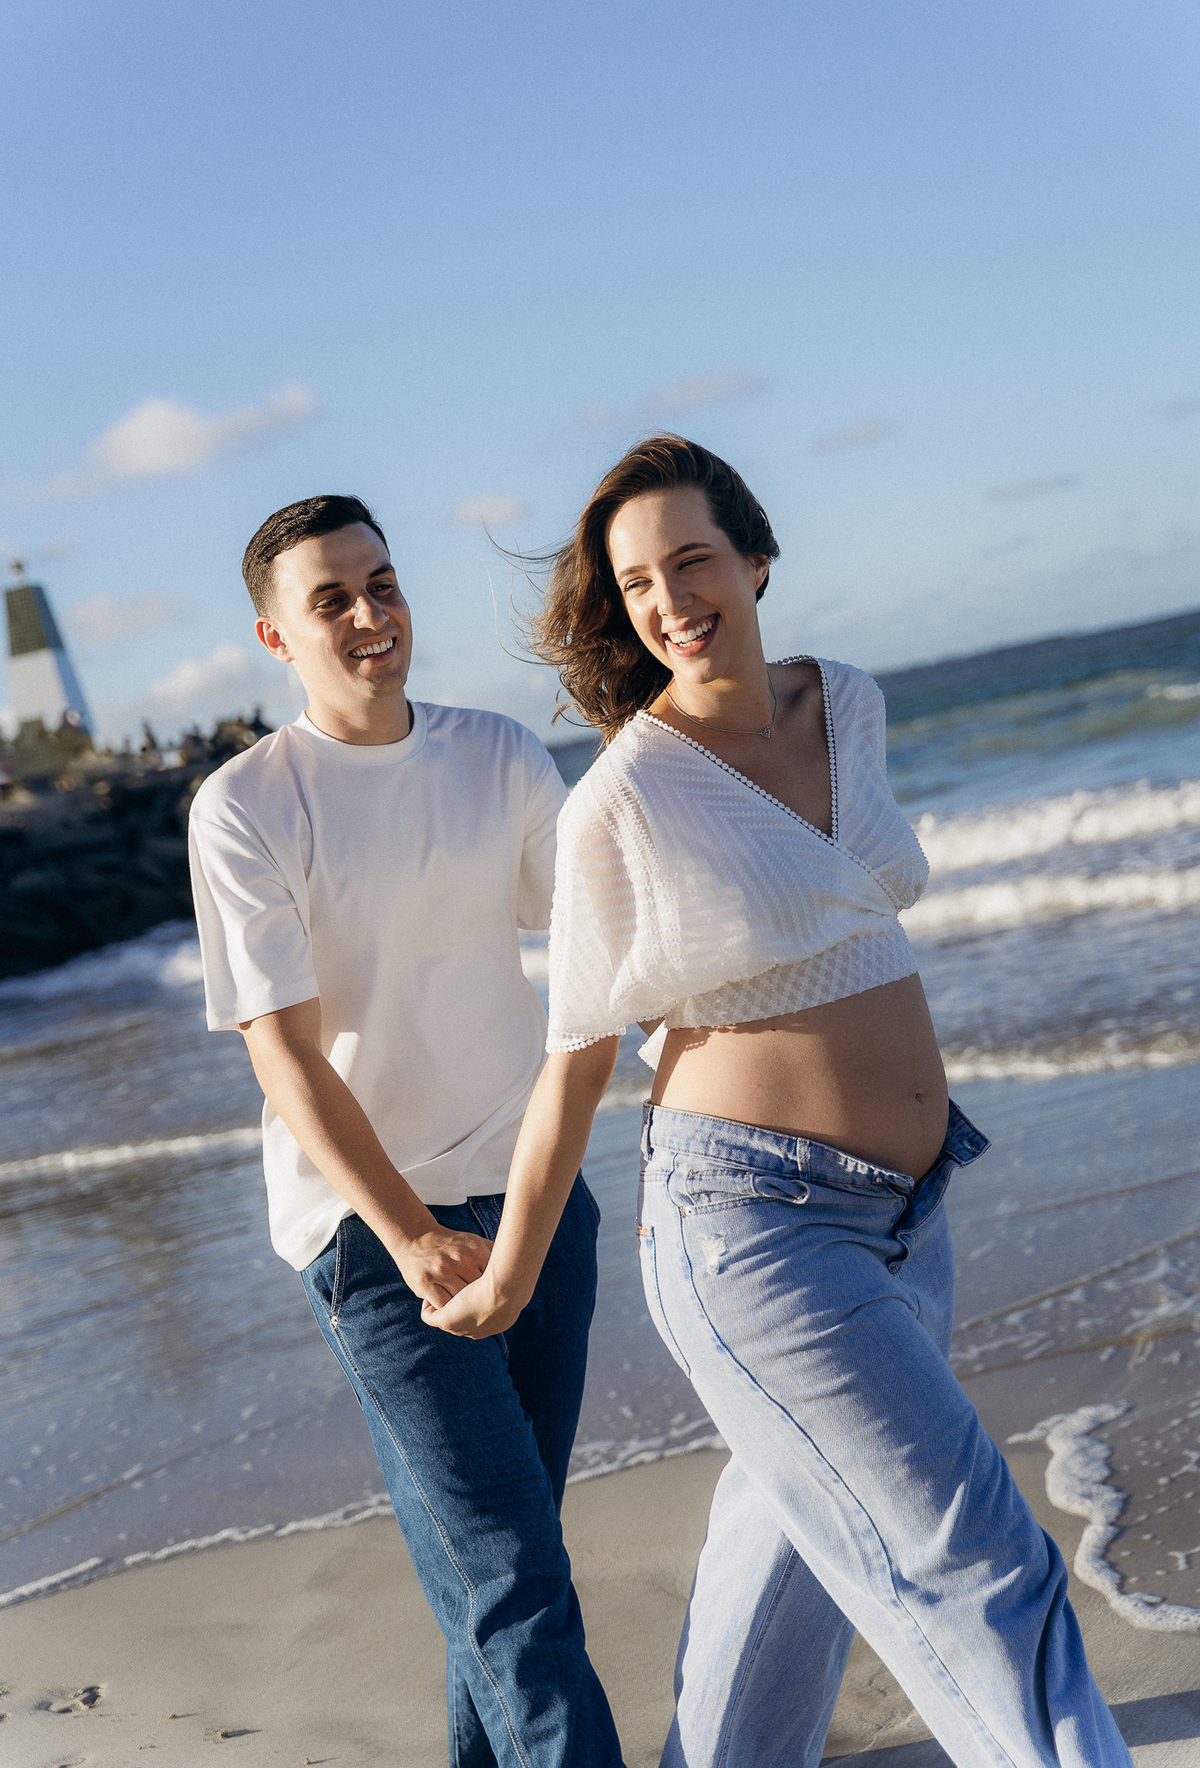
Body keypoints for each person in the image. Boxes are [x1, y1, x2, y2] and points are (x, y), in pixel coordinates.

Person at [425, 440, 1132, 1765]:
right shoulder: (625, 796)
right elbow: (579, 1051)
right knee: (984, 1567)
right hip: (752, 1231)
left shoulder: (848, 701)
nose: (670, 599)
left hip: (909, 1224)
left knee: (788, 1570)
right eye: (637, 582)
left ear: (754, 560)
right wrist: (511, 1267)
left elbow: (851, 905)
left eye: (692, 561)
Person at [187, 494, 623, 1768]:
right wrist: (410, 1232)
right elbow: (282, 1048)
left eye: (382, 583)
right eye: (332, 599)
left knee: (502, 1560)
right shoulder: (246, 804)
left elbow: (598, 953)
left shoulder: (496, 755)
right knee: (512, 1577)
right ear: (276, 637)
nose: (370, 615)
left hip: (535, 1203)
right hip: (375, 1238)